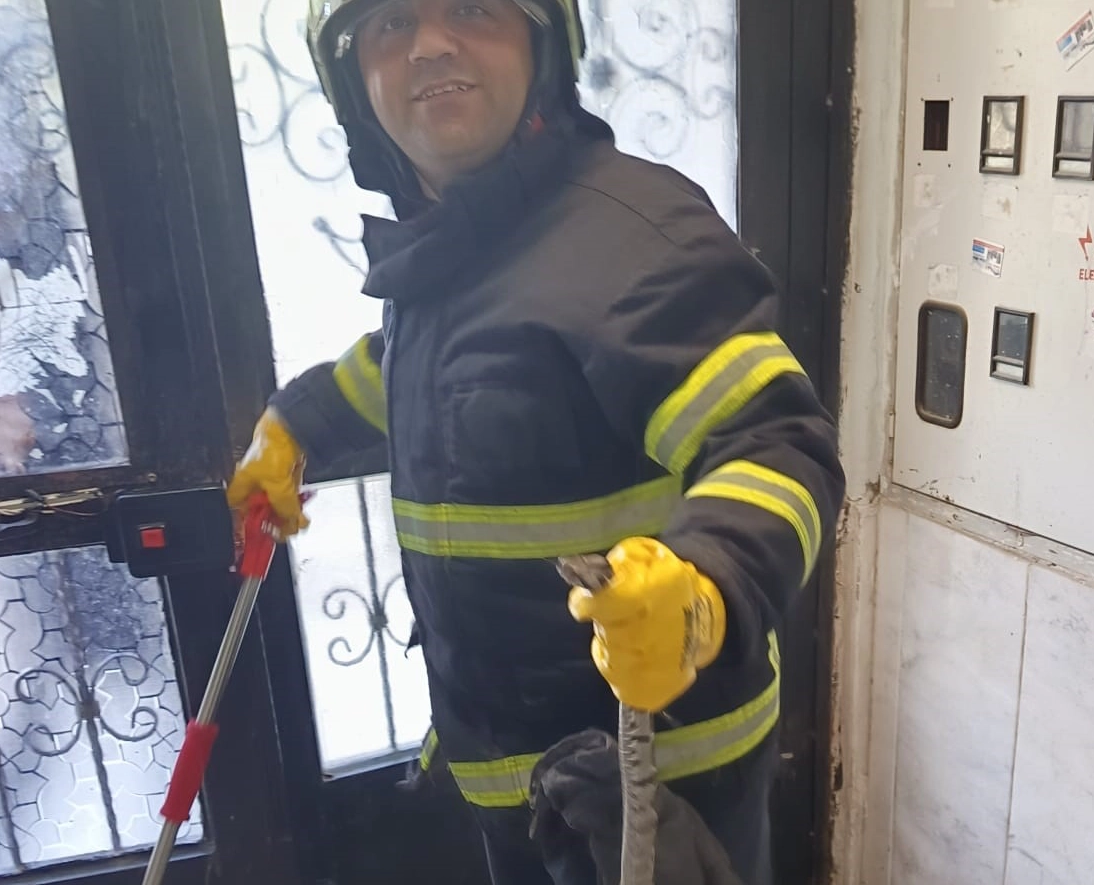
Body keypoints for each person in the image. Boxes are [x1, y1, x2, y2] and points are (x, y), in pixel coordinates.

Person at [225, 0, 845, 882]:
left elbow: (779, 443)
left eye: (473, 8)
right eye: (391, 22)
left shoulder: (634, 237)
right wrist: (296, 425)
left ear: (545, 44)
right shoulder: (457, 244)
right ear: (350, 77)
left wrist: (708, 582)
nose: (430, 44)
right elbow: (420, 369)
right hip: (512, 769)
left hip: (655, 781)